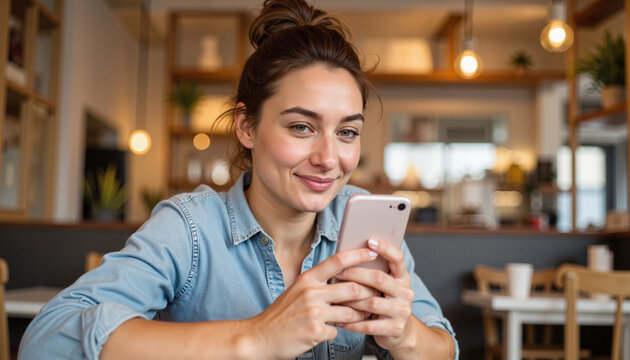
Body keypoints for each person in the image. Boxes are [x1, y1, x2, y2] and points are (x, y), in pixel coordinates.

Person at [19, 0, 457, 359]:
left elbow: (444, 347)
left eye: (347, 132)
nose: (329, 158)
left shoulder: (364, 224)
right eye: (301, 127)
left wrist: (407, 336)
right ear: (246, 127)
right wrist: (255, 338)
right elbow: (47, 340)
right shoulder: (190, 228)